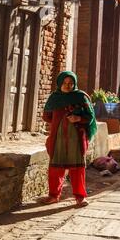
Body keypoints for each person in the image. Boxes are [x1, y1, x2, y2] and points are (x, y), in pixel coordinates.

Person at [42, 71, 97, 206]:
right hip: (58, 138)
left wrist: (78, 118)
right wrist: (59, 122)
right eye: (65, 83)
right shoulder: (54, 98)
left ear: (75, 84)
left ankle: (80, 197)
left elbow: (90, 117)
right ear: (60, 83)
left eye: (71, 83)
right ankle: (54, 195)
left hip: (76, 138)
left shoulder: (81, 97)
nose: (67, 86)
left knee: (78, 168)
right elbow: (46, 116)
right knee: (56, 167)